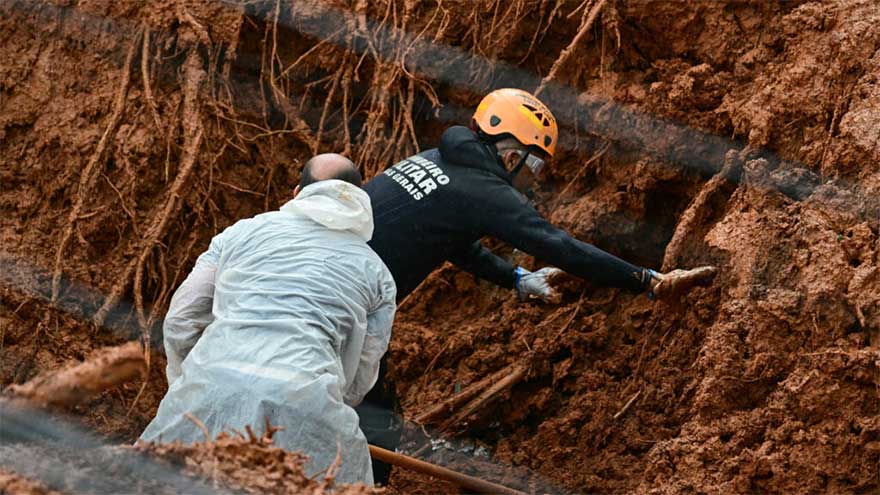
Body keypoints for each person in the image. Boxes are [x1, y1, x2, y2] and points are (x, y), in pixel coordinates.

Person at [359, 88, 717, 481]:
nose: (533, 178)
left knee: (367, 406)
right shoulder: (485, 190)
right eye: (535, 165)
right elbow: (560, 246)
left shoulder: (434, 159)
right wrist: (646, 280)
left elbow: (449, 241)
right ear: (513, 154)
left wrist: (517, 277)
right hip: (344, 306)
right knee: (371, 419)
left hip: (312, 278)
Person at [139, 154, 397, 485]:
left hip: (213, 382)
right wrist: (325, 402)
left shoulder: (239, 234)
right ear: (360, 201)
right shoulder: (377, 274)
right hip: (307, 404)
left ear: (296, 193)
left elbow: (182, 318)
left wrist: (191, 383)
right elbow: (362, 373)